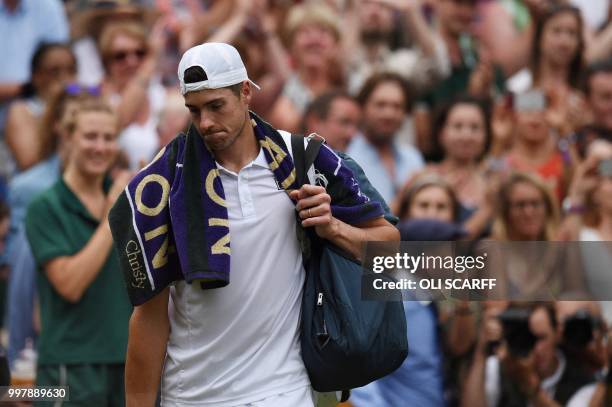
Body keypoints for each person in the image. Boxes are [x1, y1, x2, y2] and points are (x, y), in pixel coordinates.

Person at [110, 42, 398, 406]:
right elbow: (148, 319)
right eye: (194, 110)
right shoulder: (163, 185)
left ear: (246, 92)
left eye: (216, 106)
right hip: (193, 397)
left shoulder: (304, 159)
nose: (206, 123)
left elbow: (391, 247)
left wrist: (333, 228)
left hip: (284, 391)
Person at [24, 98, 132, 405]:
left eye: (109, 138)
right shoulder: (45, 207)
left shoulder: (128, 198)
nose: (100, 147)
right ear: (68, 138)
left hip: (128, 363)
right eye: (90, 136)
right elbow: (70, 285)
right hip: (69, 368)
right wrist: (112, 216)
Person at [462, 302, 598, 407]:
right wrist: (481, 353)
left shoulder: (583, 380)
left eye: (540, 338)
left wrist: (533, 391)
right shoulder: (500, 366)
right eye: (526, 339)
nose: (535, 348)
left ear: (557, 333)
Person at [346, 72, 424, 204]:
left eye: (397, 106)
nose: (389, 114)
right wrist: (404, 194)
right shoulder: (346, 158)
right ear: (362, 108)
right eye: (380, 105)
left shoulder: (413, 158)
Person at [5, 43, 76, 171]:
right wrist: (56, 104)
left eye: (71, 70)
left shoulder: (83, 105)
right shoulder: (21, 110)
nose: (65, 78)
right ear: (36, 76)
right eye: (55, 71)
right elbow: (28, 162)